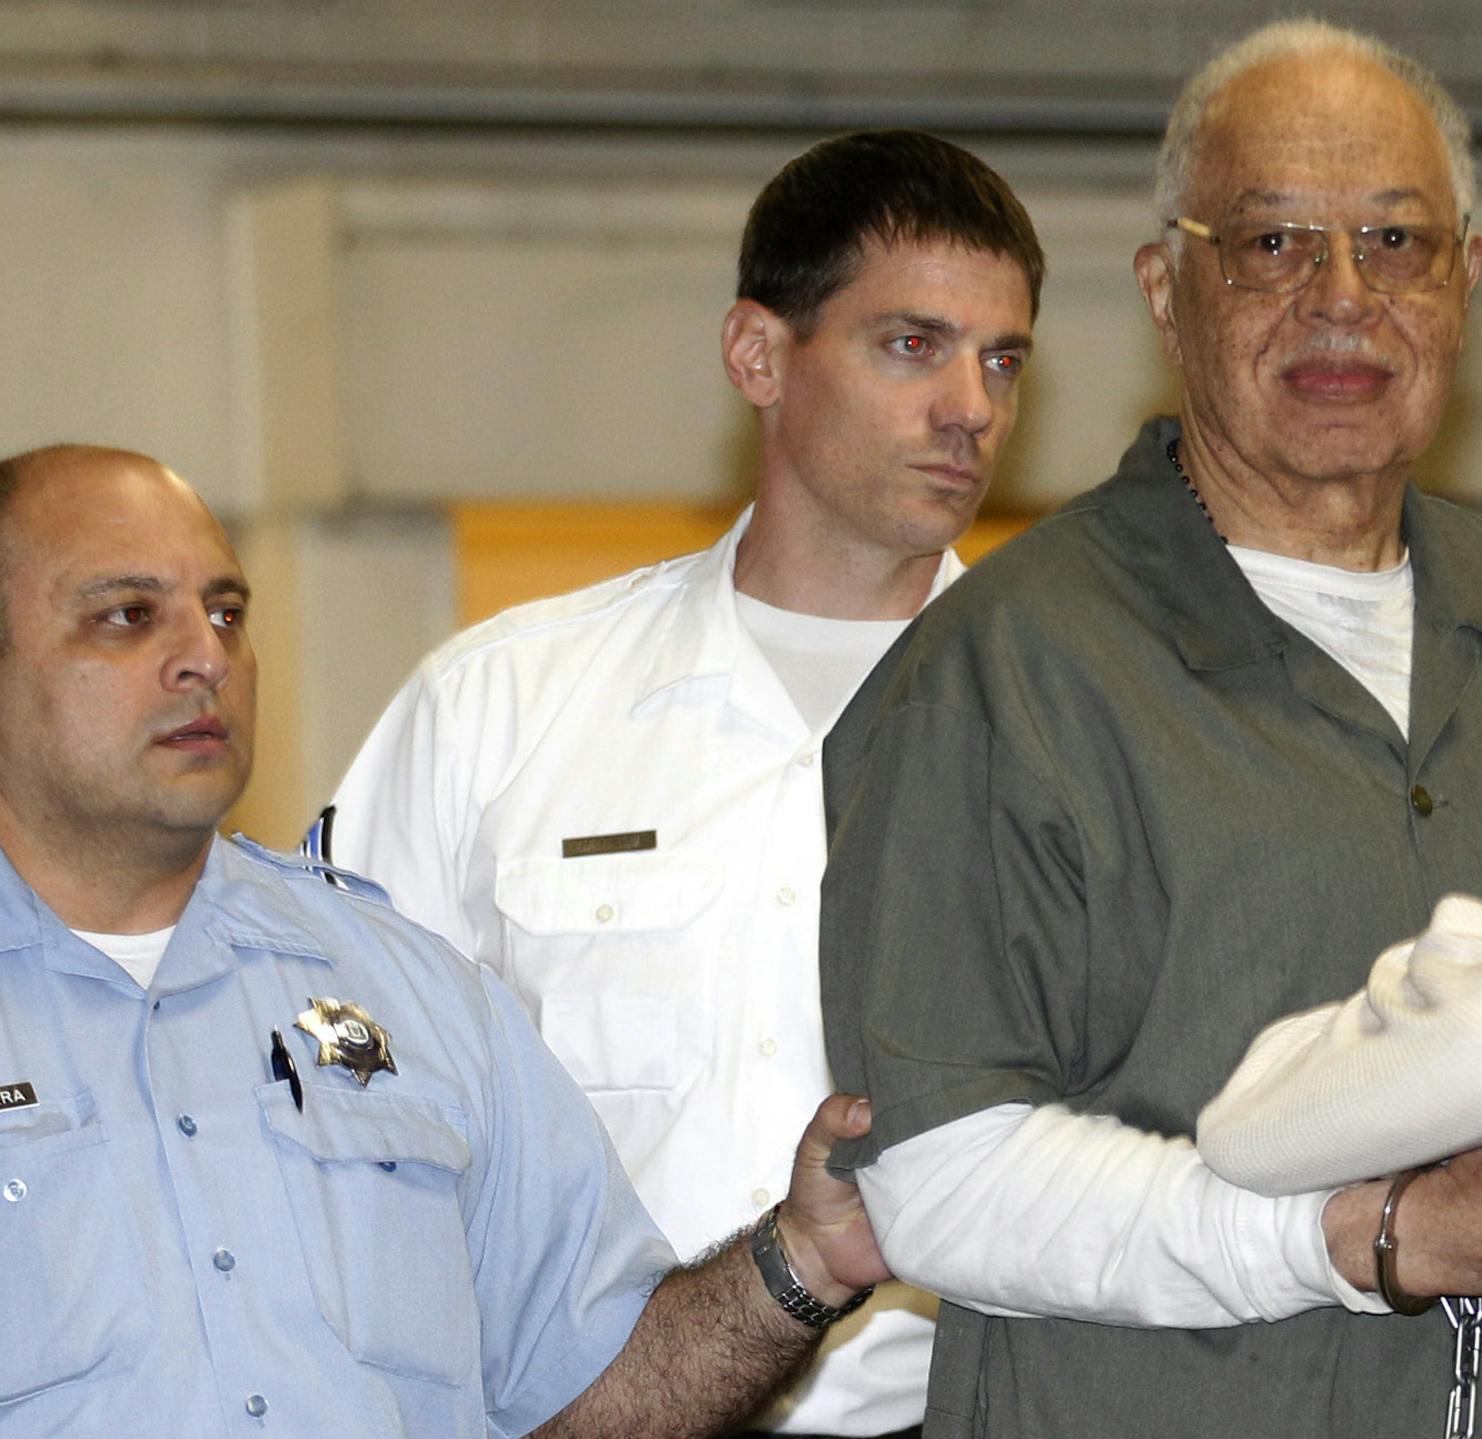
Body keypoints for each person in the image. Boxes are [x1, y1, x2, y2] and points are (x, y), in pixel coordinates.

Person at [818, 20, 1482, 1438]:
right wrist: (1368, 1233)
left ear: (1465, 280)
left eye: (1396, 243)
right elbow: (941, 1178)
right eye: (1272, 245)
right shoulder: (1008, 668)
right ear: (1168, 291)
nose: (1343, 297)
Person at [319, 130, 1044, 1439]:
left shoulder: (1074, 725)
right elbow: (332, 1102)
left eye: (1002, 359)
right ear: (759, 355)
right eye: (912, 345)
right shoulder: (499, 705)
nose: (971, 408)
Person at [0, 443, 886, 1437]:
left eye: (227, 612)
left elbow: (587, 1389)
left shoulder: (413, 991)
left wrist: (806, 1258)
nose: (205, 655)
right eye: (129, 614)